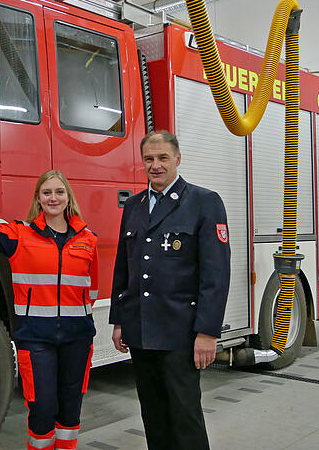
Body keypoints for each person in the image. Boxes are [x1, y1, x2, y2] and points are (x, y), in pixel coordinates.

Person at [109, 130, 230, 450]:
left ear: (178, 159)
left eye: (163, 158)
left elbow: (216, 274)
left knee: (184, 414)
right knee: (153, 413)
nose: (156, 165)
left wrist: (207, 332)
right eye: (149, 159)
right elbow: (125, 266)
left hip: (181, 331)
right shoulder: (133, 205)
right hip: (141, 329)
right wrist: (119, 320)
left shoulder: (204, 202)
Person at [0, 169, 98, 450]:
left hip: (77, 338)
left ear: (68, 197)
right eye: (47, 192)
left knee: (70, 409)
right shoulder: (20, 234)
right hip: (36, 338)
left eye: (59, 192)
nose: (54, 198)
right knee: (42, 408)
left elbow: (93, 287)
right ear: (38, 198)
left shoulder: (88, 239)